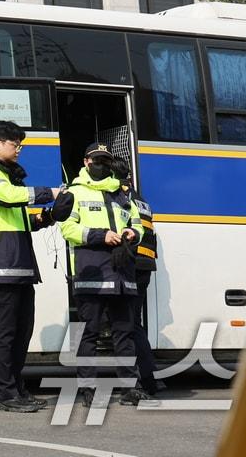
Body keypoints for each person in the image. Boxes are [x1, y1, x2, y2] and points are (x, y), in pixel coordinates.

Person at [0, 120, 61, 412]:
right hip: (1, 261)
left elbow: (20, 220)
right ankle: (5, 395)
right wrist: (51, 193)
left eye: (19, 143)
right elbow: (8, 199)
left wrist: (47, 218)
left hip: (18, 261)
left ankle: (17, 389)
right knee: (6, 331)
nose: (18, 148)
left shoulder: (9, 176)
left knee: (22, 331)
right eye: (14, 143)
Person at [58, 143, 150, 406]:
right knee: (89, 334)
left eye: (105, 161)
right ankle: (88, 389)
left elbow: (136, 224)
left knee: (125, 332)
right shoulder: (74, 192)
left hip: (122, 272)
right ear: (86, 162)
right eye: (96, 160)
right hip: (92, 272)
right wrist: (100, 236)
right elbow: (68, 229)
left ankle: (129, 388)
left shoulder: (122, 194)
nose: (101, 165)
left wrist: (132, 234)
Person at [111, 155, 163, 396]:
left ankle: (144, 381)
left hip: (131, 264)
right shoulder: (140, 199)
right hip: (145, 264)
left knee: (128, 325)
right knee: (135, 323)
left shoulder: (119, 197)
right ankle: (150, 379)